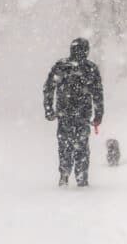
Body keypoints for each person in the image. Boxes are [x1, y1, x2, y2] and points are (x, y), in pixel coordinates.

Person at [43, 38, 104, 187]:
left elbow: (49, 89)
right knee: (81, 147)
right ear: (87, 51)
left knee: (65, 146)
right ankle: (81, 177)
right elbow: (97, 94)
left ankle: (64, 174)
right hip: (82, 115)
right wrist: (98, 115)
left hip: (64, 114)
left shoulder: (61, 66)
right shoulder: (90, 68)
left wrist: (49, 109)